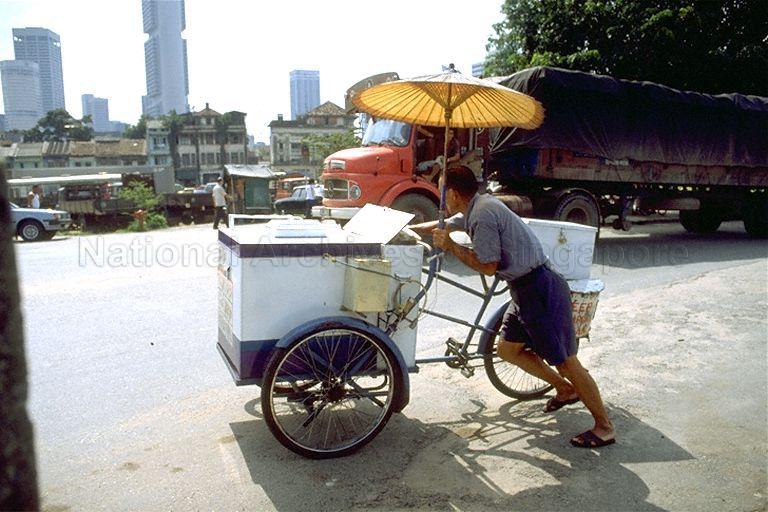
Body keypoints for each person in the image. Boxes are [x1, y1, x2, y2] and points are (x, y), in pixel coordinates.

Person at [410, 167, 616, 448]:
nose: (442, 199)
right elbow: (445, 223)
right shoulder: (477, 206)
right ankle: (564, 389)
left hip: (540, 289)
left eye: (444, 193)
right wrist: (406, 229)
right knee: (507, 350)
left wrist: (451, 247)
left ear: (455, 194)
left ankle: (604, 427)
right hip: (522, 289)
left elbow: (487, 266)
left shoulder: (482, 215)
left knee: (567, 362)